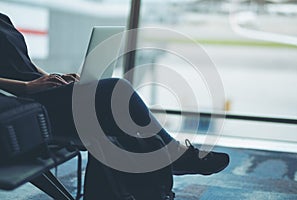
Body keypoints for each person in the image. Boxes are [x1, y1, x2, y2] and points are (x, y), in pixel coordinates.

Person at [0, 12, 229, 198]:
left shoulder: (4, 19)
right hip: (24, 103)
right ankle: (171, 155)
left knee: (119, 121)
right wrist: (27, 87)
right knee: (114, 90)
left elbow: (24, 64)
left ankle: (148, 178)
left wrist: (54, 78)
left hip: (39, 91)